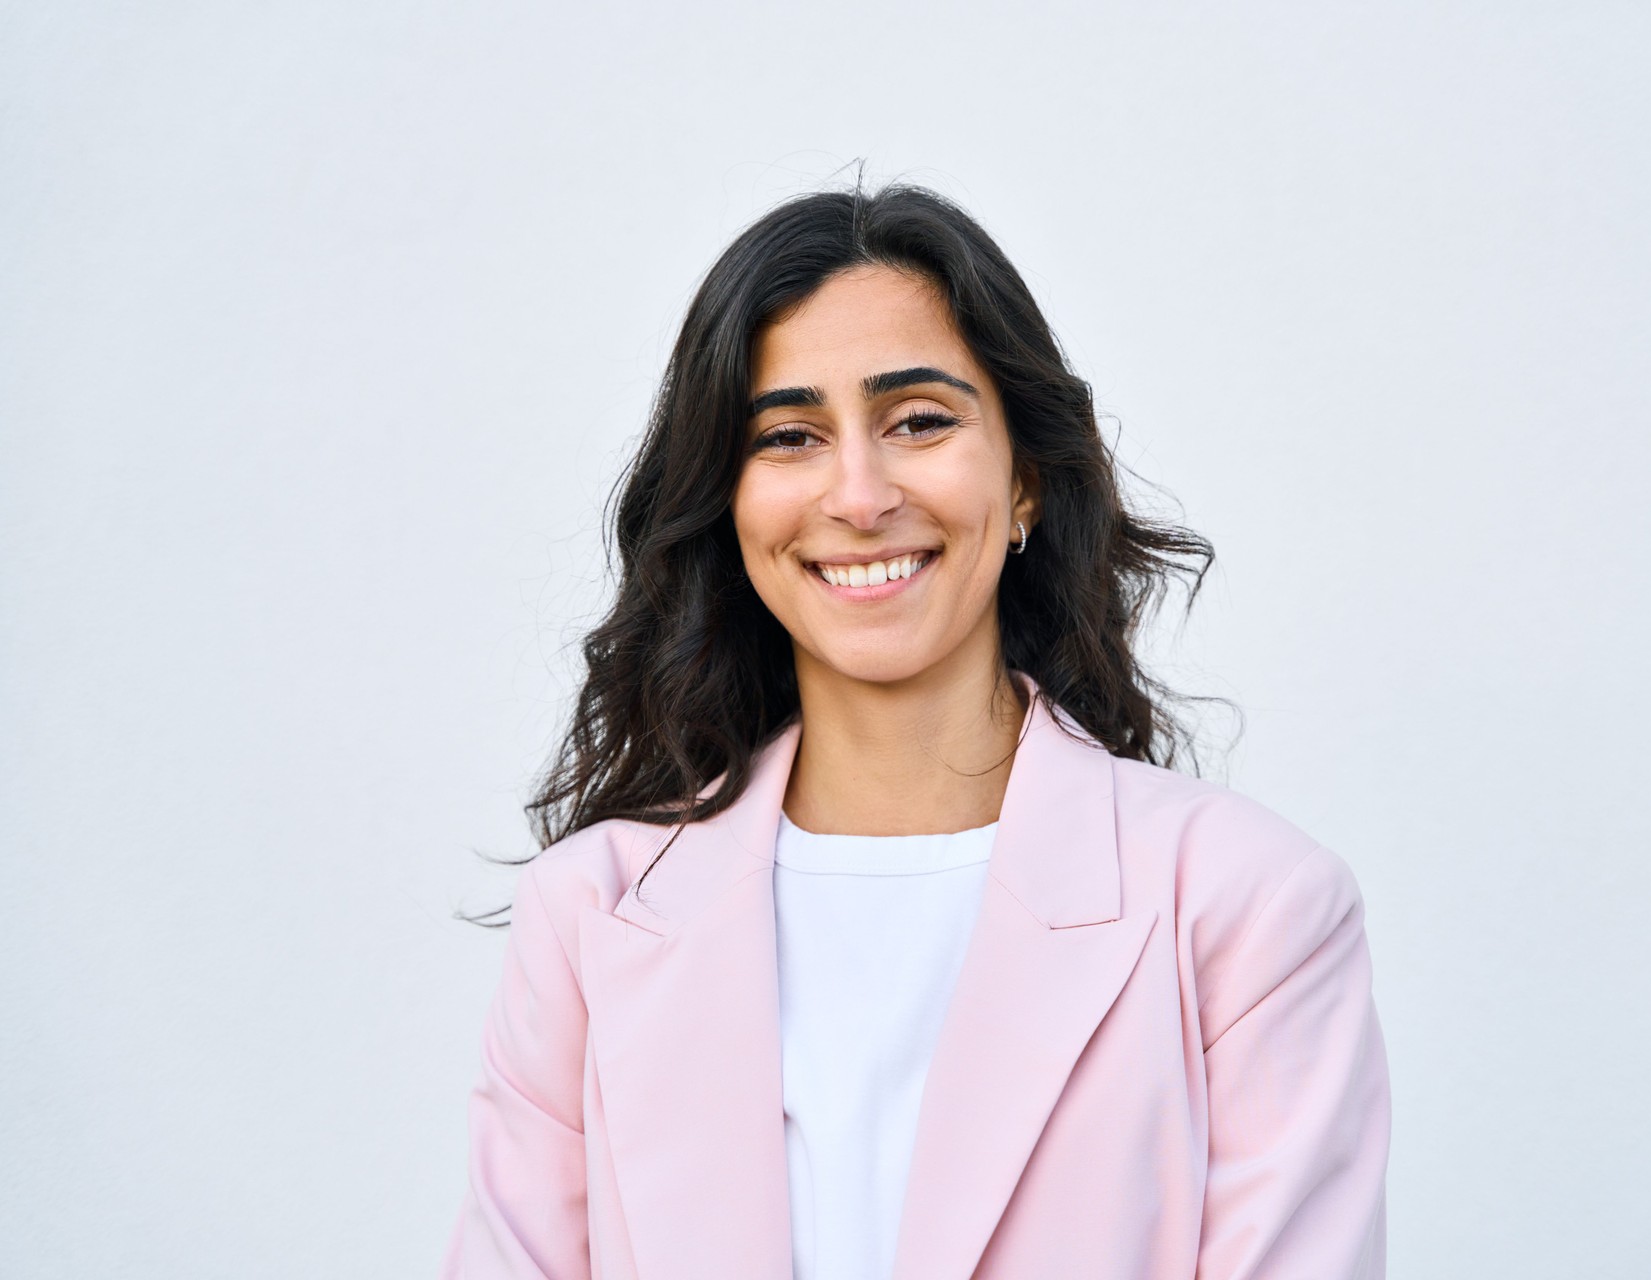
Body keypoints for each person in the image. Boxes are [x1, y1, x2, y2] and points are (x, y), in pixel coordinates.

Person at [441, 180, 1391, 1280]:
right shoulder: (590, 916)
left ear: (1027, 476)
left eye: (920, 421)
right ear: (729, 502)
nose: (858, 493)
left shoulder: (1252, 907)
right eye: (789, 435)